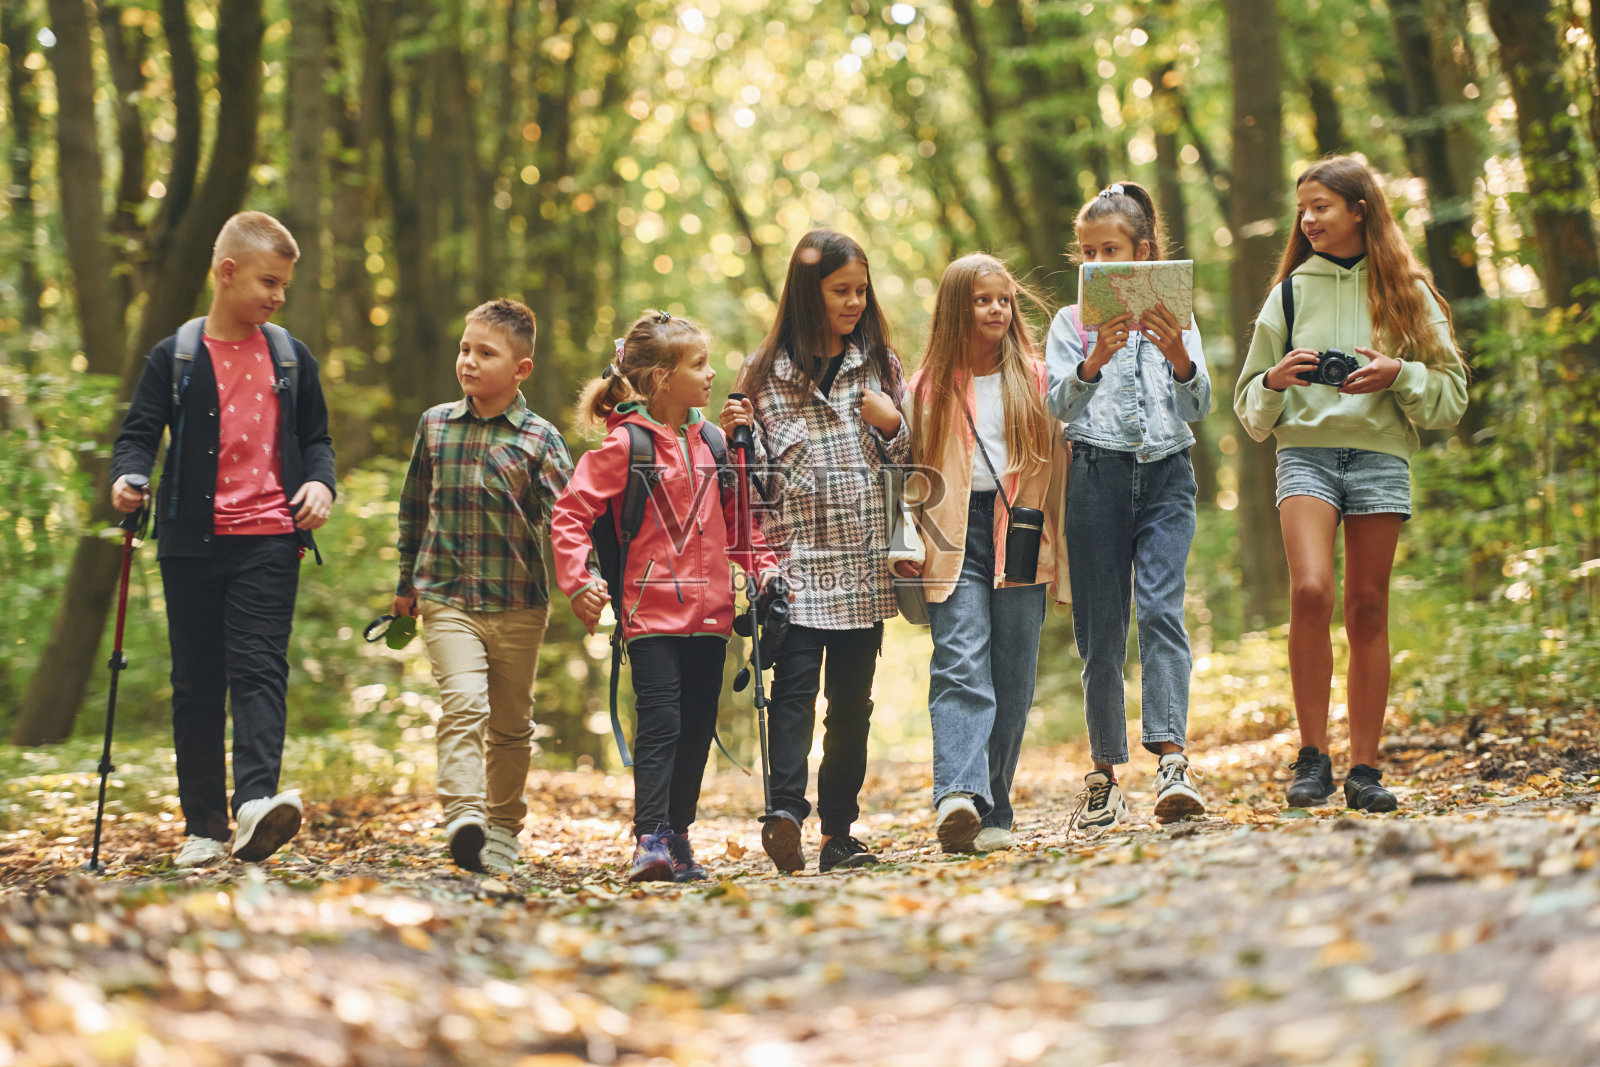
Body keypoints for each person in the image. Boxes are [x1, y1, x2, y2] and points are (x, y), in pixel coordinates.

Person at [1234, 155, 1468, 812]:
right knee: (1310, 590)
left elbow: (1451, 397)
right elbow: (1249, 406)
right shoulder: (1287, 292)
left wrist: (1400, 374)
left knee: (1367, 609)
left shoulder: (1407, 293)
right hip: (1305, 454)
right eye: (1302, 209)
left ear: (1360, 210)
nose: (1307, 219)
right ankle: (1313, 757)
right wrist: (1275, 381)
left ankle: (1366, 766)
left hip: (1379, 457)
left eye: (1321, 207)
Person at [110, 211, 336, 867]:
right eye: (268, 281)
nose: (277, 296)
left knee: (261, 669)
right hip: (190, 542)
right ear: (227, 271)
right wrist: (129, 476)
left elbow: (316, 438)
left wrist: (320, 486)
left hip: (271, 536)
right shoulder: (176, 355)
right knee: (198, 682)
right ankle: (203, 826)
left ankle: (256, 805)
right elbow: (138, 433)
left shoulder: (289, 356)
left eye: (285, 286)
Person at [551, 311, 780, 883]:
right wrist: (580, 581)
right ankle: (648, 837)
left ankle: (678, 835)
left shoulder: (714, 442)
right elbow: (570, 514)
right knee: (661, 723)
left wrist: (765, 569)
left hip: (711, 616)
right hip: (648, 613)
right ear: (660, 380)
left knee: (699, 726)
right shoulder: (624, 445)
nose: (710, 375)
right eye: (698, 365)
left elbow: (739, 522)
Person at [719, 229, 909, 874]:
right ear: (809, 294)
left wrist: (894, 428)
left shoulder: (881, 365)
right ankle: (784, 814)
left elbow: (912, 469)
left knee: (851, 706)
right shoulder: (763, 377)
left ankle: (838, 834)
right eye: (840, 292)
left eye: (861, 290)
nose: (854, 302)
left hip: (863, 566)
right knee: (793, 693)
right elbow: (752, 487)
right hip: (795, 568)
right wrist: (736, 441)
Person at [1045, 181, 1213, 837]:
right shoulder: (1070, 323)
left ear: (1143, 252)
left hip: (1168, 473)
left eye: (1109, 249)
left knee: (1162, 611)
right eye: (1087, 252)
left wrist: (1177, 357)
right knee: (1102, 632)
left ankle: (1173, 761)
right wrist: (1094, 360)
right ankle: (1104, 777)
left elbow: (1199, 408)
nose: (1097, 263)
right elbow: (1059, 405)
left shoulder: (1182, 319)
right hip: (1096, 475)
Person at [393, 298, 572, 876]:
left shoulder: (539, 440)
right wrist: (405, 584)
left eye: (484, 353)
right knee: (464, 702)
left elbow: (569, 520)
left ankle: (502, 828)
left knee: (511, 725)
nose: (468, 362)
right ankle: (465, 816)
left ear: (520, 369)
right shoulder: (435, 425)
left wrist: (589, 580)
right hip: (446, 596)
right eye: (465, 349)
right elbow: (414, 508)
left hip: (519, 603)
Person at [902, 253, 1069, 853]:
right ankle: (959, 794)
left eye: (1004, 299)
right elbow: (908, 474)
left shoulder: (1040, 379)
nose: (996, 309)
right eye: (981, 300)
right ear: (955, 309)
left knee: (1013, 673)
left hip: (1020, 533)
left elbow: (1063, 469)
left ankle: (994, 806)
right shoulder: (924, 388)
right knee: (960, 660)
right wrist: (904, 547)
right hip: (949, 536)